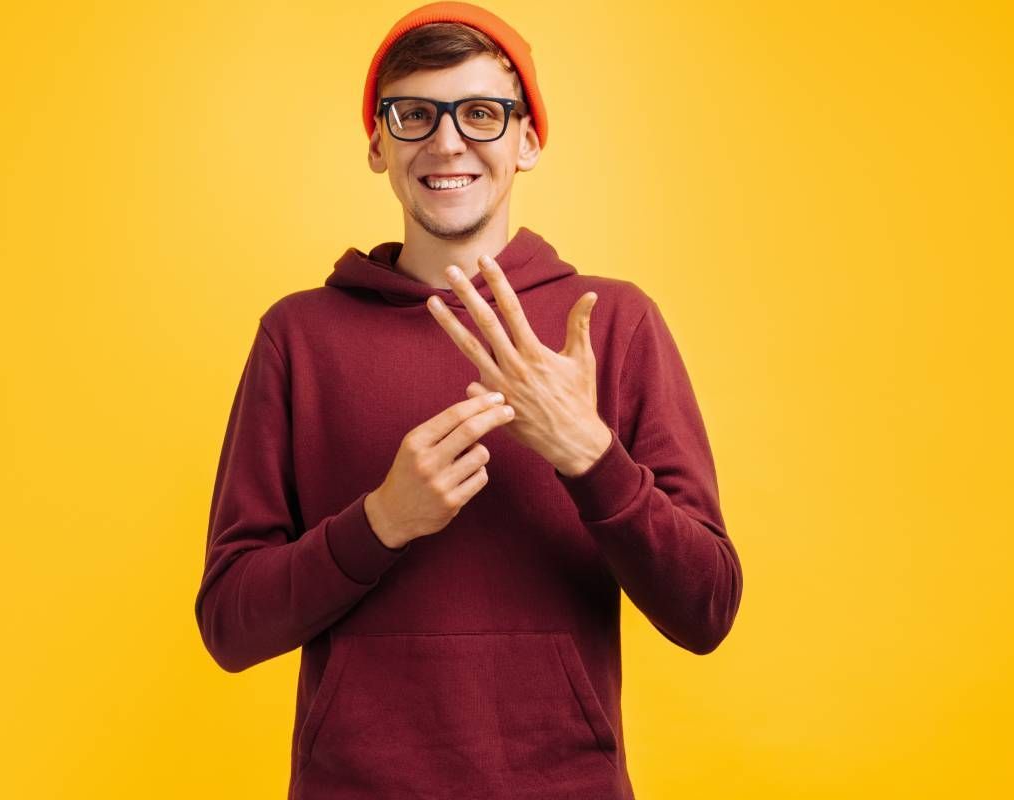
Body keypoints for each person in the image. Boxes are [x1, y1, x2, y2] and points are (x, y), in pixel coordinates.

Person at [193, 3, 743, 798]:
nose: (446, 141)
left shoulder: (615, 323)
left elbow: (708, 609)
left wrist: (589, 456)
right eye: (415, 114)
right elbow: (230, 627)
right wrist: (380, 523)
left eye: (481, 113)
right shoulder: (298, 336)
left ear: (528, 140)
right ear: (379, 144)